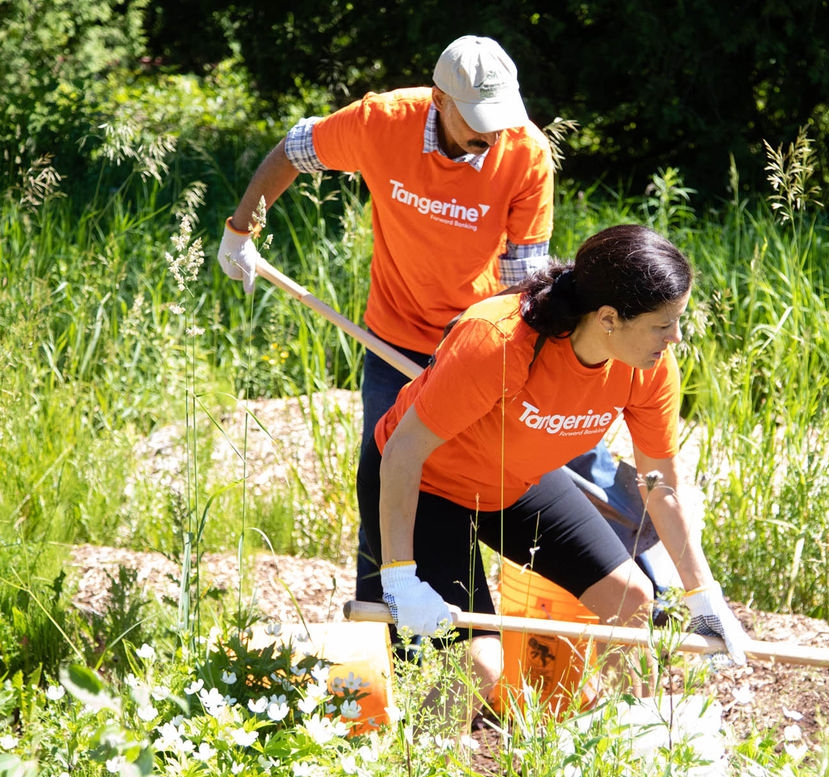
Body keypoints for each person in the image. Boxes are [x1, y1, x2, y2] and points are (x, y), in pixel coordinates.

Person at [216, 34, 661, 599]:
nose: (492, 135)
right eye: (479, 121)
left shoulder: (524, 154)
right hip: (395, 336)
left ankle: (652, 586)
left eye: (501, 120)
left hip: (488, 343)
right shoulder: (381, 122)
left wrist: (512, 362)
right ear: (439, 99)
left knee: (562, 448)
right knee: (390, 472)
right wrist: (240, 232)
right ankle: (387, 615)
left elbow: (523, 278)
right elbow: (293, 148)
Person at [356, 224, 749, 715]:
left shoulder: (649, 368)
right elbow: (402, 451)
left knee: (632, 601)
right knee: (479, 665)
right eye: (662, 324)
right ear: (608, 317)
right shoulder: (499, 342)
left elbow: (661, 485)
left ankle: (627, 756)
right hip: (427, 486)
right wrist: (399, 577)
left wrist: (703, 595)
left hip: (517, 480)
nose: (676, 337)